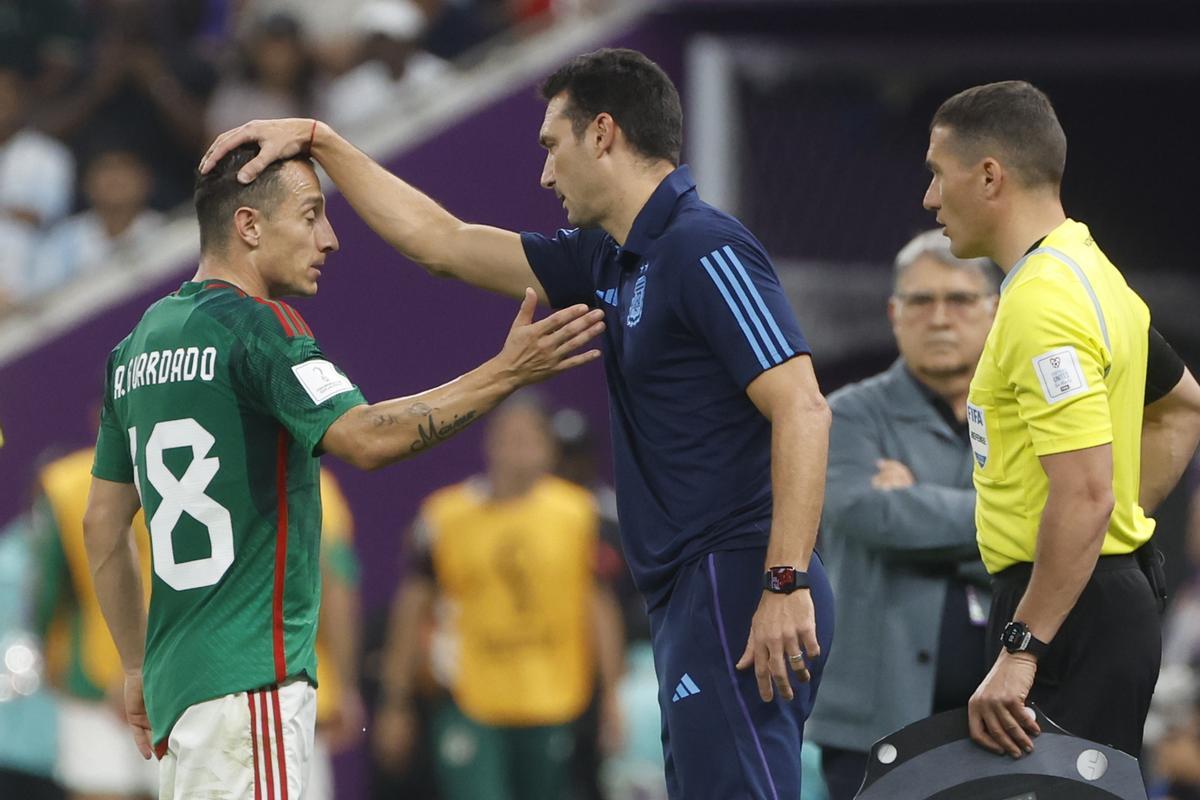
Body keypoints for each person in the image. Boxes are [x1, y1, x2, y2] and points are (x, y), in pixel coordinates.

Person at [201, 46, 834, 798]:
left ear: (602, 134)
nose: (543, 174)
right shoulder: (615, 260)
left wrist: (785, 581)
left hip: (736, 578)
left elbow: (804, 406)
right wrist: (324, 140)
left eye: (550, 146)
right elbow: (443, 243)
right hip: (692, 594)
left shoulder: (704, 245)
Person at [82, 143, 603, 799]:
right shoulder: (258, 326)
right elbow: (365, 440)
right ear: (248, 225)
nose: (329, 238)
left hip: (183, 693)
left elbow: (103, 525)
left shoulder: (134, 349)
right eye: (310, 215)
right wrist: (506, 371)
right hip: (252, 688)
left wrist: (136, 665)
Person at [921, 79, 1200, 759]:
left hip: (1063, 623)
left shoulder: (1044, 302)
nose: (929, 198)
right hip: (1088, 600)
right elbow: (1183, 405)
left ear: (990, 176)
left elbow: (1084, 493)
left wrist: (1025, 646)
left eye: (936, 173)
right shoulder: (1092, 272)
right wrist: (1105, 543)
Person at [808, 230, 998, 799]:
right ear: (894, 313)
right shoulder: (847, 414)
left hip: (1004, 720)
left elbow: (1057, 539)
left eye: (960, 299)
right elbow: (870, 514)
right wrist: (1002, 522)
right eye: (920, 300)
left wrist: (917, 502)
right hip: (874, 724)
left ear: (995, 310)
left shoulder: (1027, 418)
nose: (939, 317)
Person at [373, 395, 623, 800]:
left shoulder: (579, 513)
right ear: (488, 443)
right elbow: (411, 607)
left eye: (529, 438)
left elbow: (599, 606)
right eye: (509, 438)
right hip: (470, 698)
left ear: (549, 447)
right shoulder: (444, 516)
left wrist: (613, 695)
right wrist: (395, 702)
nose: (518, 450)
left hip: (553, 696)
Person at [33, 448, 158, 800]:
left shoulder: (65, 483)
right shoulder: (210, 463)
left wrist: (48, 652)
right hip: (179, 669)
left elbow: (50, 587)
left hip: (89, 673)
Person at [31, 148, 164, 297]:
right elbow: (42, 299)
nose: (116, 179)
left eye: (124, 171)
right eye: (107, 171)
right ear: (87, 185)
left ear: (144, 181)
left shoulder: (166, 231)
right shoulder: (62, 241)